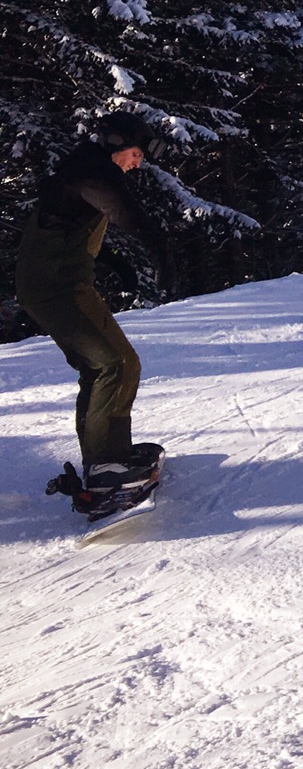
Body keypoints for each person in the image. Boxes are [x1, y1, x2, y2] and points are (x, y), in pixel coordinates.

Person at [12, 116, 168, 493]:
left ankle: (114, 454)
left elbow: (68, 226)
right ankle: (102, 470)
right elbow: (125, 213)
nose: (137, 163)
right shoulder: (92, 172)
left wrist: (114, 260)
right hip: (53, 287)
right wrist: (162, 254)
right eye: (135, 154)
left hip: (69, 282)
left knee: (125, 363)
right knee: (106, 365)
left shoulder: (88, 168)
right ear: (118, 145)